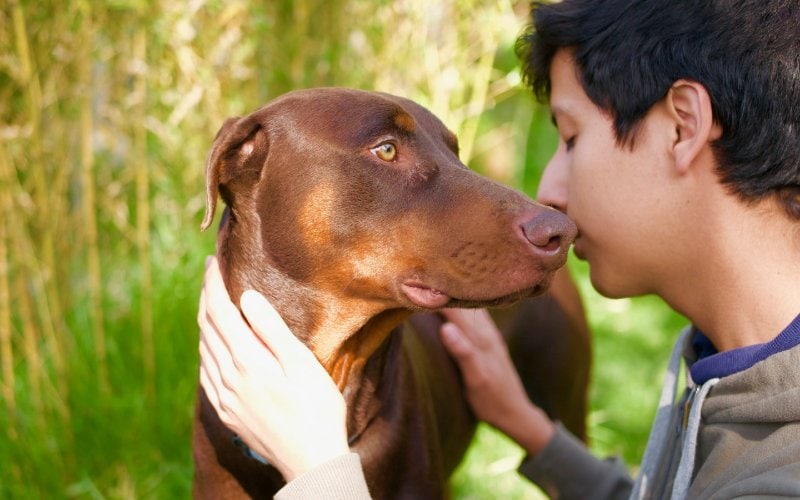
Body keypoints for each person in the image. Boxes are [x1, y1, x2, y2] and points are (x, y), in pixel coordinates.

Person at [197, 0, 800, 498]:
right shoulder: (720, 366)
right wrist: (535, 433)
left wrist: (318, 471)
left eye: (570, 137)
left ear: (683, 126)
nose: (546, 195)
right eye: (388, 152)